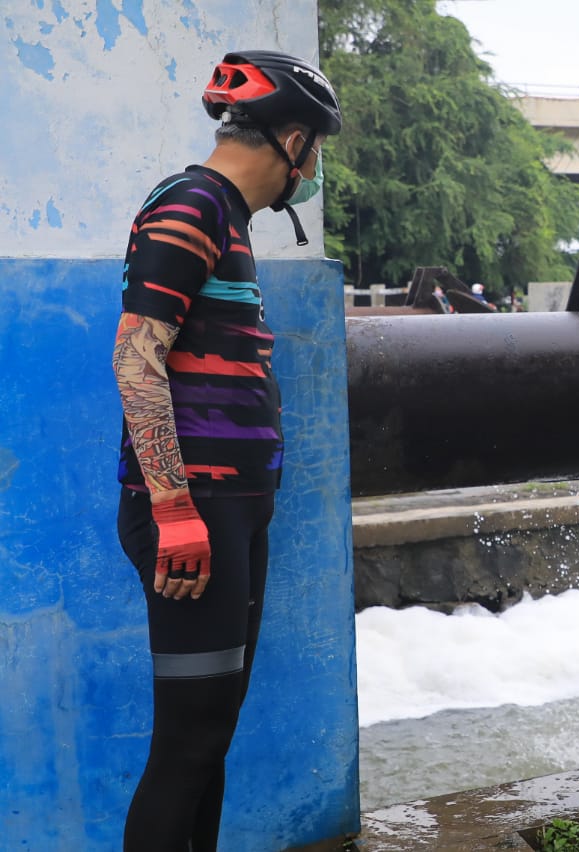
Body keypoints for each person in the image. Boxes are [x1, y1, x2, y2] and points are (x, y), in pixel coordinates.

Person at [111, 49, 341, 851]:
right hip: (191, 519)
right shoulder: (193, 203)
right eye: (316, 147)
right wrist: (173, 509)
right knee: (187, 746)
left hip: (229, 514)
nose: (313, 170)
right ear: (291, 138)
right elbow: (137, 354)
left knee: (210, 741)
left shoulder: (227, 220)